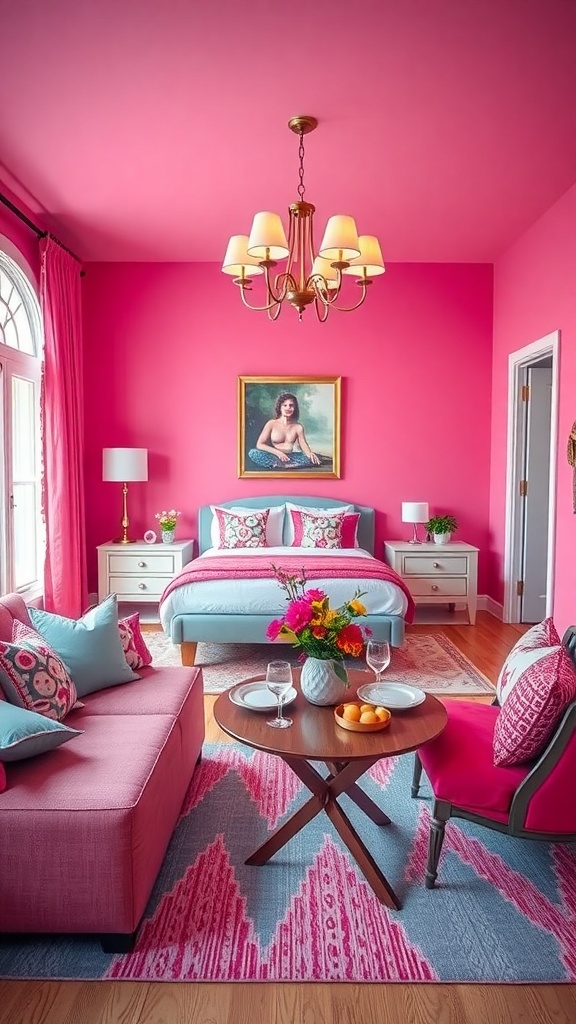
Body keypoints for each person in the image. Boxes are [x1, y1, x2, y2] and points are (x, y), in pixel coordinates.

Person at [248, 392, 323, 469]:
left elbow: (303, 444)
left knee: (310, 457)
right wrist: (278, 453)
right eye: (285, 405)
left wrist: (309, 454)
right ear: (280, 407)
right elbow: (260, 444)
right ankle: (284, 465)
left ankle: (285, 465)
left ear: (295, 408)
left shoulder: (298, 427)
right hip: (274, 456)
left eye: (291, 405)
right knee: (253, 453)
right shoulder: (271, 423)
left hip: (290, 457)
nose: (288, 408)